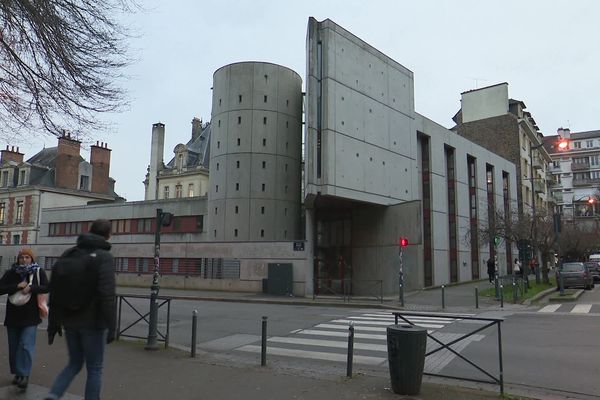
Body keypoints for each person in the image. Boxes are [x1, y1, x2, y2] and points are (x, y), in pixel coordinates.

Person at [45, 219, 116, 400]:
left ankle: (53, 395)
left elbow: (55, 290)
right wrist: (112, 326)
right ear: (108, 235)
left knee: (74, 363)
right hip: (93, 323)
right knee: (95, 368)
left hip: (69, 320)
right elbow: (107, 295)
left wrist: (53, 323)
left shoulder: (69, 253)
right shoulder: (104, 257)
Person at [0, 248, 49, 390]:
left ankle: (24, 374)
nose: (24, 260)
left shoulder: (38, 271)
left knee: (26, 345)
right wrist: (16, 286)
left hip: (31, 317)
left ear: (32, 259)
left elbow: (46, 287)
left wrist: (32, 288)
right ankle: (17, 373)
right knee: (14, 347)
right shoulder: (11, 273)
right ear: (18, 259)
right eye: (22, 257)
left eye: (27, 257)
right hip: (13, 316)